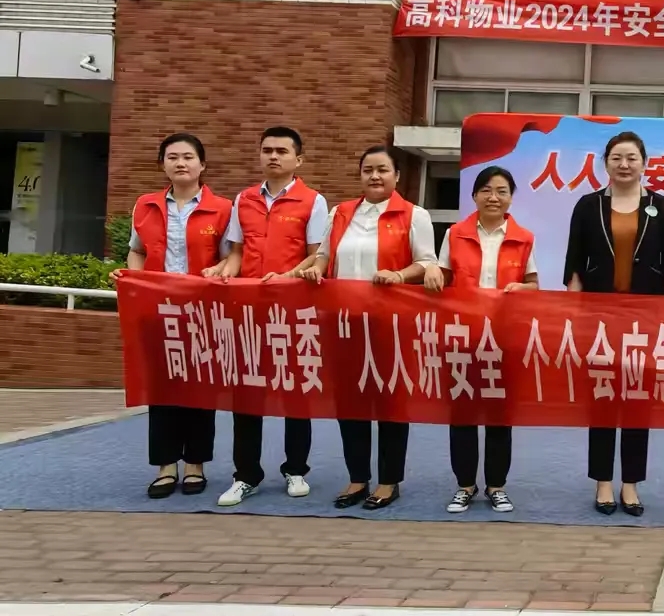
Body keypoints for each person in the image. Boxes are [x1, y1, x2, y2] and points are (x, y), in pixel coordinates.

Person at [297, 145, 440, 511]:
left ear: (396, 176)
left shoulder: (414, 214)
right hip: (344, 323)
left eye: (382, 170)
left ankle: (389, 481)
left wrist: (398, 274)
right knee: (350, 403)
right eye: (367, 170)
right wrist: (315, 268)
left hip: (390, 324)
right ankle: (357, 477)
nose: (374, 176)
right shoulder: (340, 212)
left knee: (390, 402)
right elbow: (325, 256)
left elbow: (427, 262)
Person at [564, 131, 664, 517]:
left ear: (644, 163)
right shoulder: (587, 205)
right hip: (598, 317)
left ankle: (630, 484)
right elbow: (574, 264)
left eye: (631, 157)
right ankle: (602, 482)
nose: (624, 164)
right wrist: (573, 310)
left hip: (644, 318)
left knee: (635, 399)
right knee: (602, 398)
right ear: (606, 163)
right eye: (617, 157)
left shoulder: (660, 207)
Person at [213, 126, 329, 508]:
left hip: (295, 311)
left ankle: (296, 468)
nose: (273, 156)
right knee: (247, 395)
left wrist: (289, 276)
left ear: (299, 159)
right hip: (248, 313)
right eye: (267, 150)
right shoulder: (244, 199)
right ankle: (246, 474)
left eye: (282, 150)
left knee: (297, 392)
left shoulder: (313, 201)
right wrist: (222, 270)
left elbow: (318, 255)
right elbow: (236, 253)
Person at [113, 132, 233, 500]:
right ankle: (166, 466)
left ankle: (195, 464)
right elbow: (136, 252)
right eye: (172, 157)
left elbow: (232, 257)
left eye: (188, 157)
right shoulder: (145, 206)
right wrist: (131, 277)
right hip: (157, 311)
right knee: (161, 388)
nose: (180, 163)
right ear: (162, 164)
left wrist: (219, 271)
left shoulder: (223, 208)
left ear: (202, 165)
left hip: (202, 312)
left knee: (199, 388)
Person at [438, 165, 539, 515]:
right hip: (462, 335)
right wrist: (434, 275)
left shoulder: (524, 237)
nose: (493, 197)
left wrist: (521, 288)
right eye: (486, 190)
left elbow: (534, 285)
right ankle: (465, 485)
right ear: (475, 195)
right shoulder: (454, 234)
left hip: (503, 337)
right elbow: (444, 278)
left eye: (501, 191)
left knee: (499, 414)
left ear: (511, 197)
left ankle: (497, 485)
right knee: (462, 413)